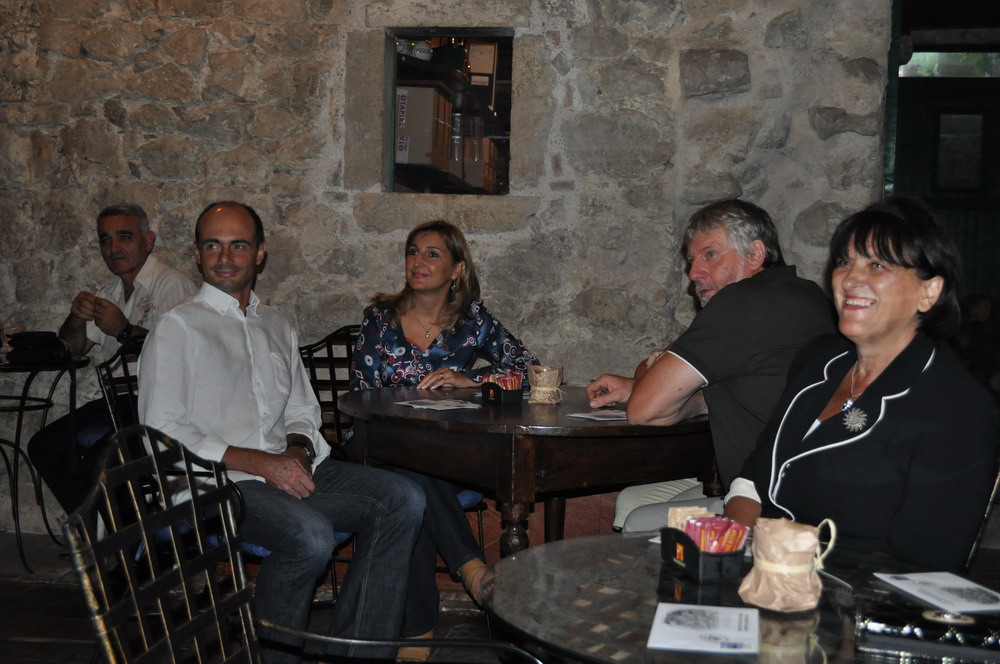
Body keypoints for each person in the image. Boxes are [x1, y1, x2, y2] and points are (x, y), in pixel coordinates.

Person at [138, 202, 425, 664]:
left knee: (402, 498)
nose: (224, 257)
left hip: (282, 468)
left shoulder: (275, 323)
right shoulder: (178, 327)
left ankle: (357, 653)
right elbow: (161, 432)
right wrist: (261, 464)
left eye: (238, 245)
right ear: (197, 253)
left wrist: (297, 450)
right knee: (309, 536)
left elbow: (302, 409)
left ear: (260, 253)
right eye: (212, 246)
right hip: (212, 483)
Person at [723, 197, 999, 572]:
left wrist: (781, 568)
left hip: (853, 598)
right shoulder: (820, 360)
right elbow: (756, 476)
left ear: (929, 292)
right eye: (844, 262)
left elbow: (926, 566)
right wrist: (727, 553)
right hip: (762, 575)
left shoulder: (957, 409)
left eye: (877, 265)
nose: (851, 279)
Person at [350, 219, 538, 662]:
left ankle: (417, 633)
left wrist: (471, 379)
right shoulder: (379, 319)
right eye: (413, 251)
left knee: (415, 484)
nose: (418, 261)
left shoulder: (472, 321)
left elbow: (530, 371)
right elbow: (359, 397)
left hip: (447, 456)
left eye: (432, 254)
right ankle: (471, 569)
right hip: (379, 449)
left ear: (457, 269)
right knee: (409, 475)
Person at [586, 199, 836, 531]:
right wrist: (642, 387)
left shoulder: (740, 302)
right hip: (812, 492)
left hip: (771, 506)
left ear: (755, 254)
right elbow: (727, 394)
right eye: (692, 260)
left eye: (711, 254)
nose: (694, 273)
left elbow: (643, 411)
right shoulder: (808, 294)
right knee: (633, 500)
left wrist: (649, 375)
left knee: (637, 518)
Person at [27, 203, 196, 516]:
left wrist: (125, 331)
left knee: (99, 466)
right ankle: (102, 533)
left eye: (124, 237)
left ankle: (123, 537)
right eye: (105, 240)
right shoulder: (110, 290)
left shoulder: (172, 284)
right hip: (118, 402)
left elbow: (183, 356)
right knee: (43, 448)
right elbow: (73, 349)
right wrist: (76, 317)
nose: (113, 248)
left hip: (160, 404)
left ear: (148, 241)